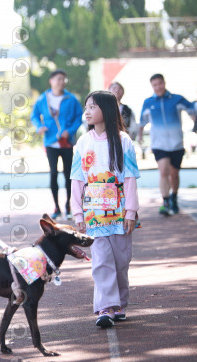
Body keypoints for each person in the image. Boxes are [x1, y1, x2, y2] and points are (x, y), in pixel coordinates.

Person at [70, 90, 140, 328]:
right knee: (101, 261)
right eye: (86, 107)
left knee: (121, 261)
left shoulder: (124, 141)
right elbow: (77, 179)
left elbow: (130, 178)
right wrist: (78, 212)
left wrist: (131, 212)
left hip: (120, 212)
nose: (87, 112)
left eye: (92, 107)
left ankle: (119, 304)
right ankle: (106, 307)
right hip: (94, 213)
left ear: (107, 110)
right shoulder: (83, 142)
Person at [138, 74, 197, 216]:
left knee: (174, 174)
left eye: (160, 83)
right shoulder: (148, 102)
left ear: (164, 83)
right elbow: (142, 121)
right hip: (159, 144)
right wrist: (139, 135)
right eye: (155, 85)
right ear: (152, 86)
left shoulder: (176, 99)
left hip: (176, 144)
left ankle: (174, 197)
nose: (158, 87)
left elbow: (193, 108)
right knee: (163, 171)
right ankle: (165, 201)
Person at [30, 69, 83, 220]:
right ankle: (56, 207)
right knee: (53, 173)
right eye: (58, 79)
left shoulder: (71, 99)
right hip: (50, 142)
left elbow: (79, 117)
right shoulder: (43, 98)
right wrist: (39, 127)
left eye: (63, 79)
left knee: (68, 174)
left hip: (66, 142)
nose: (61, 82)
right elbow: (34, 115)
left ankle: (68, 206)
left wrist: (70, 131)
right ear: (51, 81)